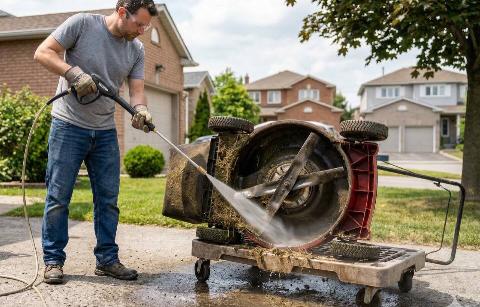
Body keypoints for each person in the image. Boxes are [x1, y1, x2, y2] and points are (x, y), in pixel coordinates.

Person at [33, 0, 157, 284]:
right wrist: (72, 73)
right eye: (139, 23)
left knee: (108, 199)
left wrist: (140, 110)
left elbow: (137, 92)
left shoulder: (136, 49)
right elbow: (42, 52)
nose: (142, 30)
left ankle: (107, 260)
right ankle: (53, 260)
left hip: (104, 130)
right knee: (58, 197)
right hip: (68, 125)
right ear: (122, 12)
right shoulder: (82, 24)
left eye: (146, 25)